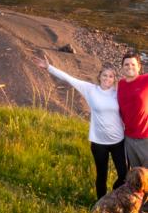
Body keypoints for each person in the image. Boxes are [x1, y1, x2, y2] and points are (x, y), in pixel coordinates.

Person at [34, 54, 127, 200]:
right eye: (104, 75)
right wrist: (49, 67)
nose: (107, 78)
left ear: (114, 79)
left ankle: (114, 196)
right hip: (98, 142)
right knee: (101, 176)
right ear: (99, 76)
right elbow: (69, 78)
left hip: (118, 141)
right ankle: (100, 204)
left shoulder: (118, 93)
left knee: (124, 175)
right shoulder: (90, 90)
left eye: (110, 76)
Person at [117, 51, 148, 169]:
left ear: (139, 67)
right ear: (122, 68)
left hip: (145, 137)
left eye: (133, 64)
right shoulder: (121, 84)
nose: (130, 67)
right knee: (136, 176)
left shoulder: (146, 80)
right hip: (129, 138)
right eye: (126, 64)